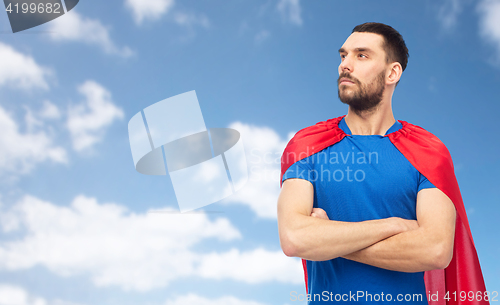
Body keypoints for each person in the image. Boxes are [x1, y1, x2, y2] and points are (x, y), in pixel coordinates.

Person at [278, 22, 488, 304]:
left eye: (361, 55)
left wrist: (328, 240)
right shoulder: (307, 145)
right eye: (343, 56)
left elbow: (436, 250)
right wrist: (394, 225)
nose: (345, 65)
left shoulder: (428, 151)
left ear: (392, 72)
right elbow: (294, 239)